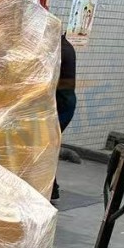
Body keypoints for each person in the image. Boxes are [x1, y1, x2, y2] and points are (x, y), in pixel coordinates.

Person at [53, 34, 77, 201]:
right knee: (46, 147)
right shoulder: (63, 46)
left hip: (62, 106)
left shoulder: (61, 49)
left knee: (45, 147)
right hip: (62, 103)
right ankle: (51, 189)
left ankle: (51, 188)